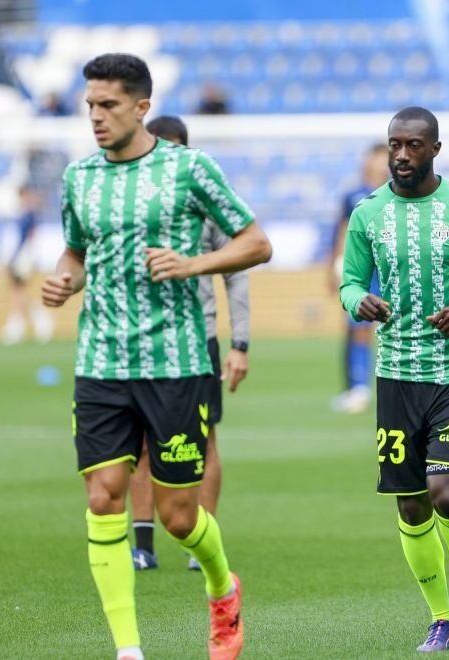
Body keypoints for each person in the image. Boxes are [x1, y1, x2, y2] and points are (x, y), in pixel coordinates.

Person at [41, 53, 272, 660]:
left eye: (108, 104)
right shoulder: (78, 177)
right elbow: (75, 252)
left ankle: (223, 589)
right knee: (102, 496)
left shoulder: (189, 169)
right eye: (89, 104)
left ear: (141, 107)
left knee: (178, 516)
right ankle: (127, 649)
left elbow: (256, 242)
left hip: (176, 363)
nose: (95, 115)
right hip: (100, 362)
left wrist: (194, 264)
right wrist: (65, 279)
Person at [339, 106, 449, 652]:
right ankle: (440, 616)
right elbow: (346, 282)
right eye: (395, 144)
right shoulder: (368, 214)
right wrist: (357, 301)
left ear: (434, 149)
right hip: (395, 373)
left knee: (445, 491)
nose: (401, 155)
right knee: (411, 503)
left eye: (413, 145)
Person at [127, 115, 252, 572]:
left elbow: (238, 270)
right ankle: (143, 544)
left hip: (197, 341)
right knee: (140, 442)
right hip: (140, 341)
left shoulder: (205, 202)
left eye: (175, 148)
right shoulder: (130, 207)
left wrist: (240, 342)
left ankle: (202, 540)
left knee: (205, 440)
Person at [328, 143, 388, 414]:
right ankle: (359, 389)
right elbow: (342, 230)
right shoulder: (353, 195)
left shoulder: (396, 193)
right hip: (363, 271)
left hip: (391, 270)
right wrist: (334, 266)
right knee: (359, 328)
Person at [0, 183, 54, 345]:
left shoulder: (29, 213)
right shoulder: (24, 213)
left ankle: (22, 324)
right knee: (18, 290)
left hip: (23, 255)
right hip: (19, 254)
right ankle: (30, 321)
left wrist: (27, 255)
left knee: (19, 290)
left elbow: (30, 235)